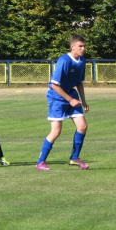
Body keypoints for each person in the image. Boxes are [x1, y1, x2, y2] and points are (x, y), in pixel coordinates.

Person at [35, 34, 90, 171]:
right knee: (56, 131)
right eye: (80, 46)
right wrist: (70, 100)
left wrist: (83, 101)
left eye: (84, 46)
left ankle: (75, 158)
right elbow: (54, 85)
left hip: (71, 95)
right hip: (57, 97)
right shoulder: (64, 61)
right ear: (72, 47)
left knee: (82, 126)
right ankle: (40, 162)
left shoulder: (82, 61)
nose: (83, 48)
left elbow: (79, 83)